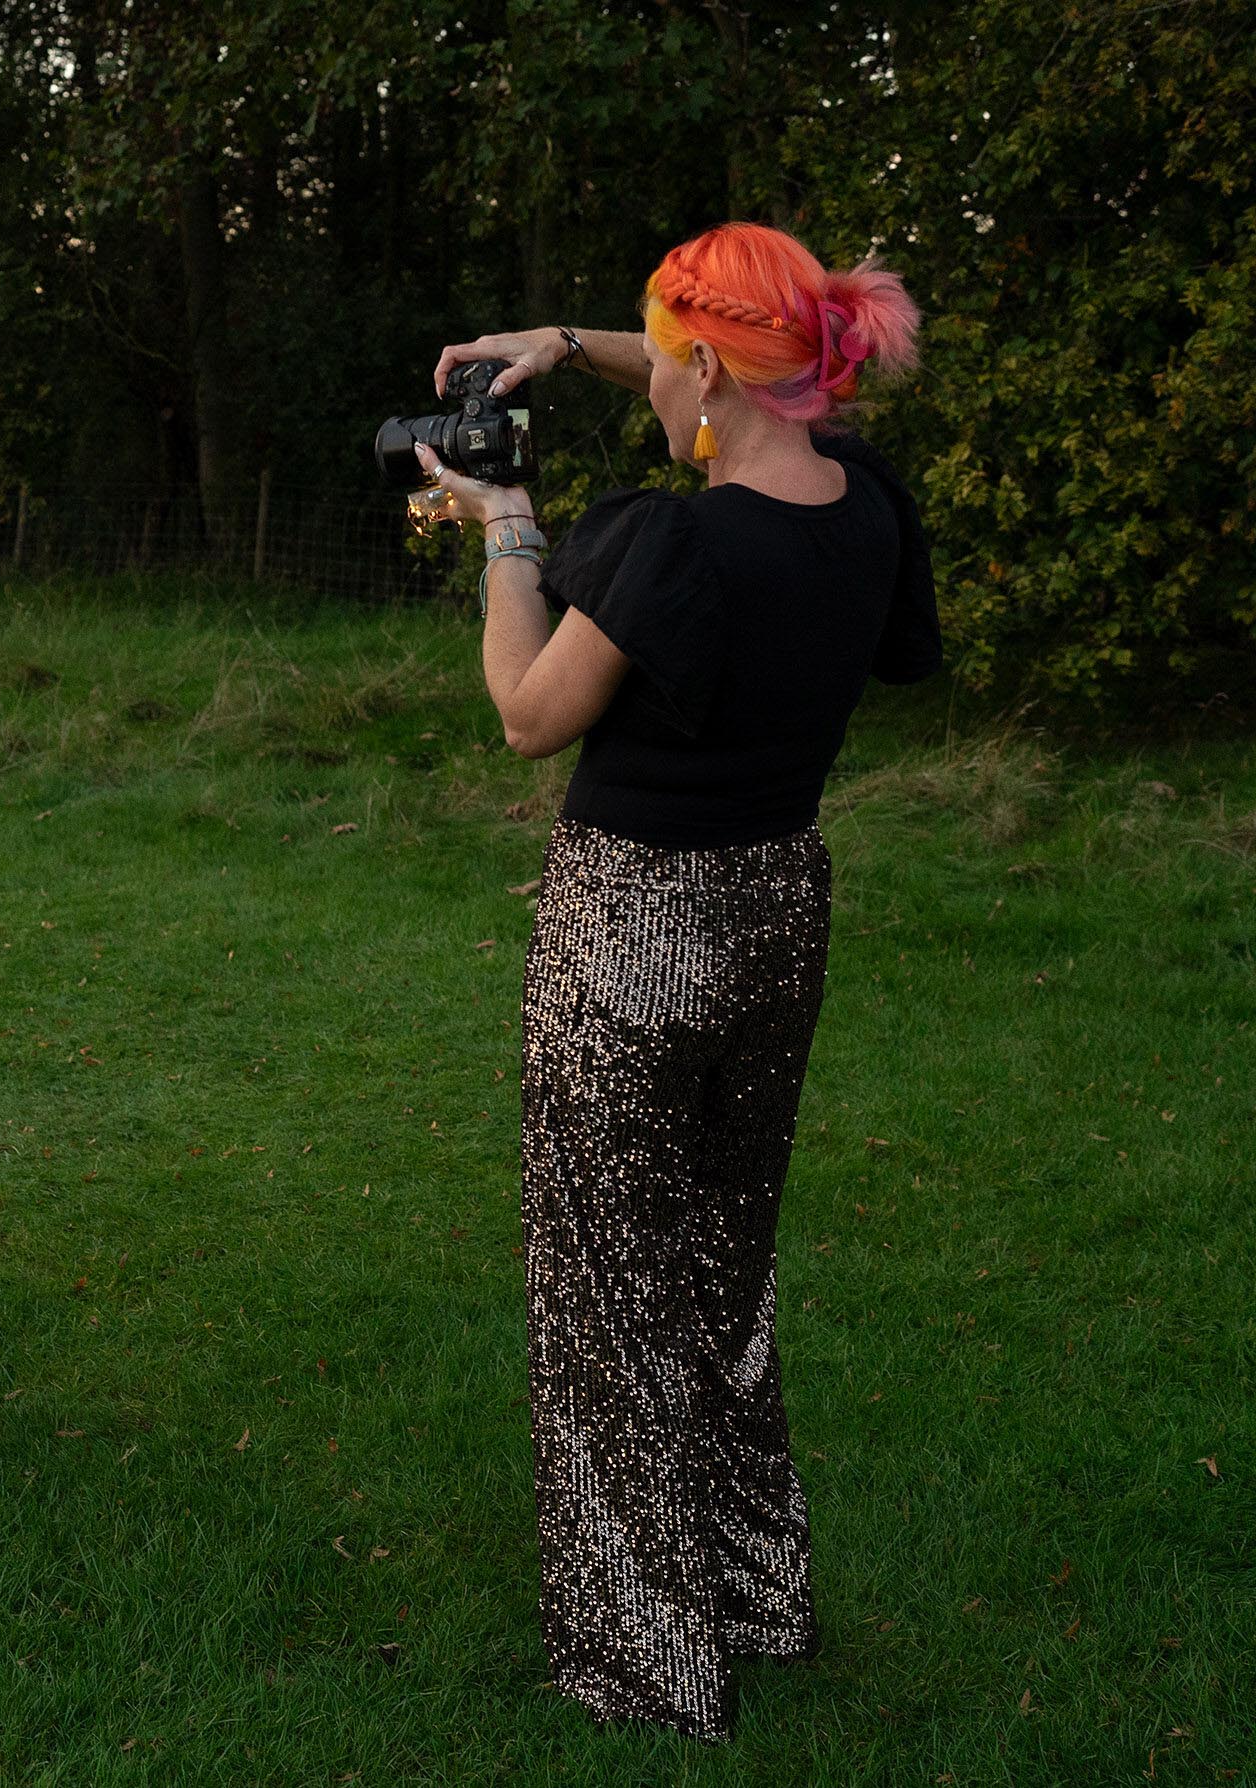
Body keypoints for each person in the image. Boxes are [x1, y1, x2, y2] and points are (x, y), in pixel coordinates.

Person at [420, 222, 941, 1740]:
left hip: (634, 932)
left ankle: (647, 1662)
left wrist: (507, 526)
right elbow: (701, 374)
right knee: (722, 1277)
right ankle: (759, 1596)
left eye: (660, 361)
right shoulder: (864, 511)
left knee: (607, 1295)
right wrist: (562, 342)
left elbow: (528, 716)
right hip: (782, 913)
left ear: (709, 366)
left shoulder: (677, 542)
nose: (647, 385)